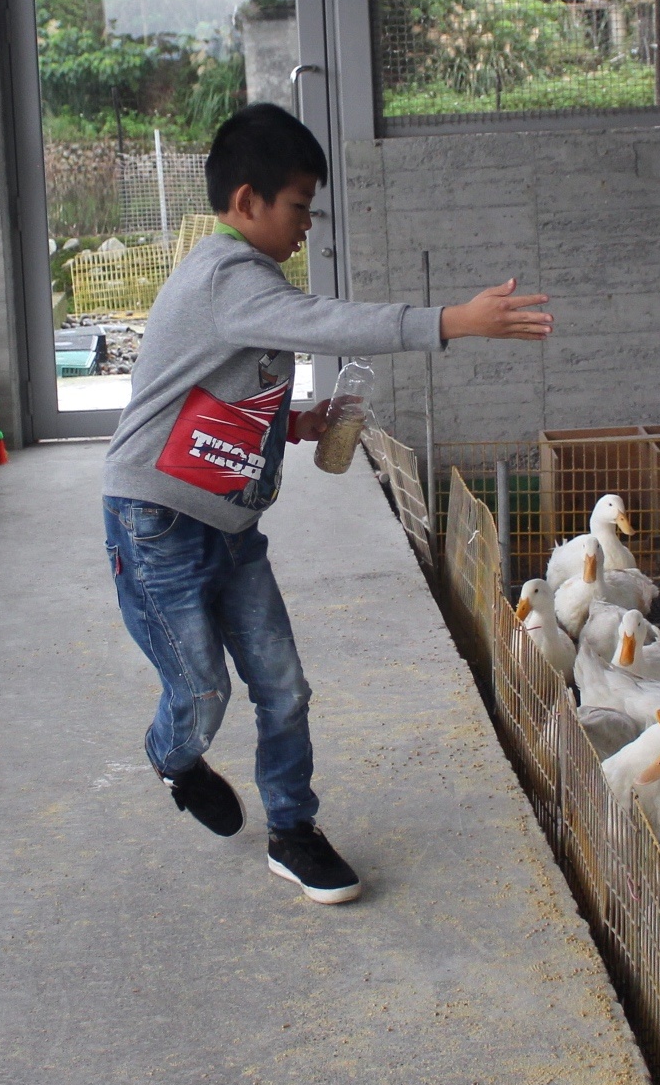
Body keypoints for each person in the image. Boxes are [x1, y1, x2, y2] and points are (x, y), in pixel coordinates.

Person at [100, 103, 551, 902]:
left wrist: (299, 422)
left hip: (231, 522)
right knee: (202, 691)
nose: (308, 224)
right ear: (246, 203)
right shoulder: (225, 277)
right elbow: (331, 321)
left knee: (284, 683)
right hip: (159, 521)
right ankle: (173, 756)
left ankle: (292, 827)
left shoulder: (248, 286)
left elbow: (229, 389)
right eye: (299, 205)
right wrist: (453, 320)